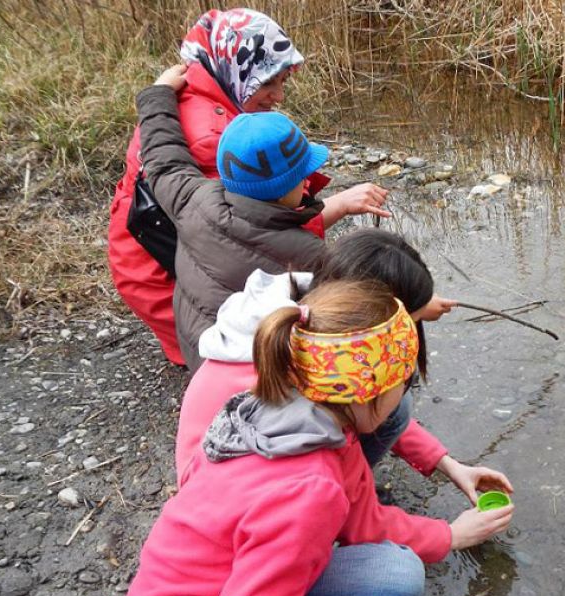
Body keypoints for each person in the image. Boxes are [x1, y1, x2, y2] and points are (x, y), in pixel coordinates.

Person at [123, 280, 515, 596]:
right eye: (404, 382)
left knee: (399, 571)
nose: (405, 394)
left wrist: (450, 534)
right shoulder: (309, 489)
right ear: (371, 393)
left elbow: (366, 522)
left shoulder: (299, 409)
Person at [108, 9, 387, 366]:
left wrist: (157, 94)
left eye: (282, 81)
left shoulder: (202, 90)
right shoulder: (212, 136)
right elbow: (251, 237)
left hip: (175, 278)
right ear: (238, 69)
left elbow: (167, 160)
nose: (279, 96)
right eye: (269, 83)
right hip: (165, 287)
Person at [176, 229, 512, 507]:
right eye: (401, 322)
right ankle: (343, 501)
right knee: (398, 573)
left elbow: (372, 404)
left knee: (397, 407)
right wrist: (450, 536)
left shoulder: (309, 316)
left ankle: (350, 490)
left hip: (255, 475)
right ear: (364, 314)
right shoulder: (298, 375)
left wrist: (449, 465)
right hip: (236, 502)